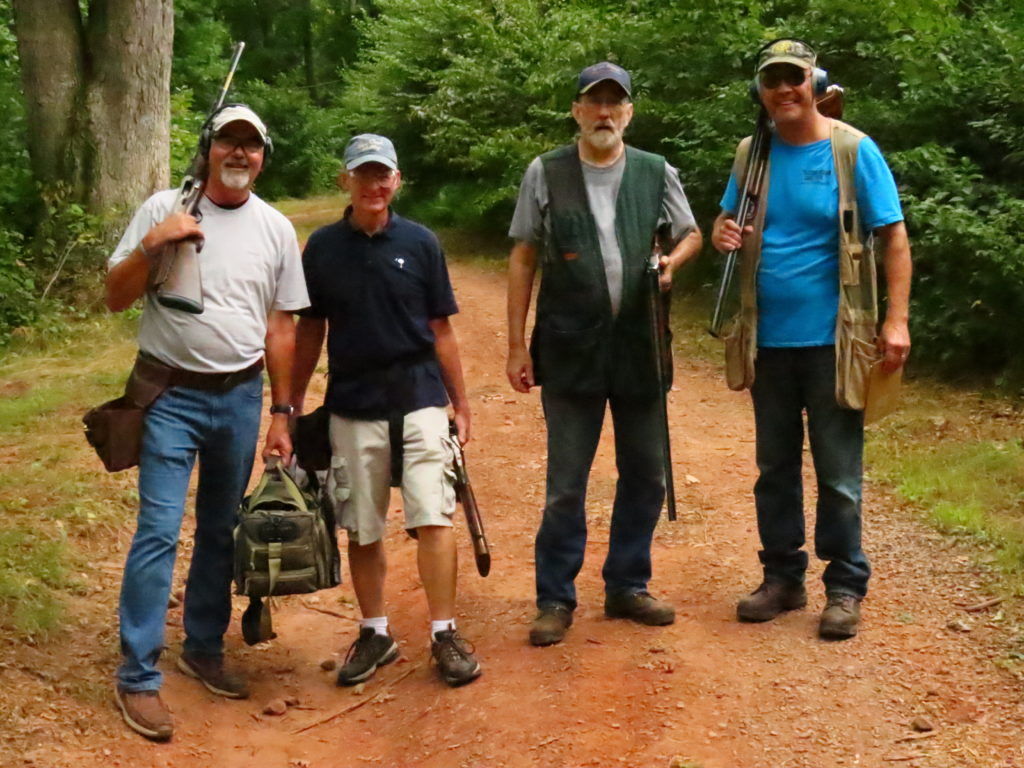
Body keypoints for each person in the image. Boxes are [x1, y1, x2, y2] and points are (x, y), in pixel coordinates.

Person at [105, 105, 309, 739]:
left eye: (252, 144)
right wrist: (155, 242)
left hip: (240, 398)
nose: (239, 153)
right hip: (169, 396)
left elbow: (281, 326)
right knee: (159, 530)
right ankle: (138, 675)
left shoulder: (275, 228)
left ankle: (202, 646)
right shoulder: (165, 208)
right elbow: (114, 296)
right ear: (208, 148)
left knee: (221, 529)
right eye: (228, 141)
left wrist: (282, 412)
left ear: (263, 157)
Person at [711, 39, 912, 639]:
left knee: (838, 474)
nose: (784, 90)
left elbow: (894, 237)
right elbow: (727, 220)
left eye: (794, 78)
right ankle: (782, 579)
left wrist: (896, 320)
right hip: (766, 339)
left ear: (815, 82)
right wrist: (722, 232)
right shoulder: (752, 153)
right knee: (773, 467)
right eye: (771, 81)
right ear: (760, 92)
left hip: (836, 341)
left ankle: (845, 586)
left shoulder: (852, 150)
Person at [506, 62, 703, 647]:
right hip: (569, 348)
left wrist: (671, 264)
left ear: (629, 113)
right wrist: (515, 344)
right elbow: (522, 255)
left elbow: (691, 233)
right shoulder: (545, 172)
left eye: (615, 103)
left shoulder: (655, 170)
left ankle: (627, 585)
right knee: (566, 483)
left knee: (645, 474)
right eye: (594, 102)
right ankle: (554, 598)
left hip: (642, 347)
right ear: (576, 111)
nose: (604, 113)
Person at [291, 134, 481, 688]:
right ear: (344, 181)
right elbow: (310, 330)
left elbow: (441, 329)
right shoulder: (322, 248)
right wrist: (290, 408)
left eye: (382, 175)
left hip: (419, 399)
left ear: (396, 180)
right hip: (353, 405)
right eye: (363, 174)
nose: (373, 185)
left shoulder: (421, 243)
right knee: (362, 524)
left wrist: (461, 403)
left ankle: (444, 633)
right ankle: (375, 632)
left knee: (434, 516)